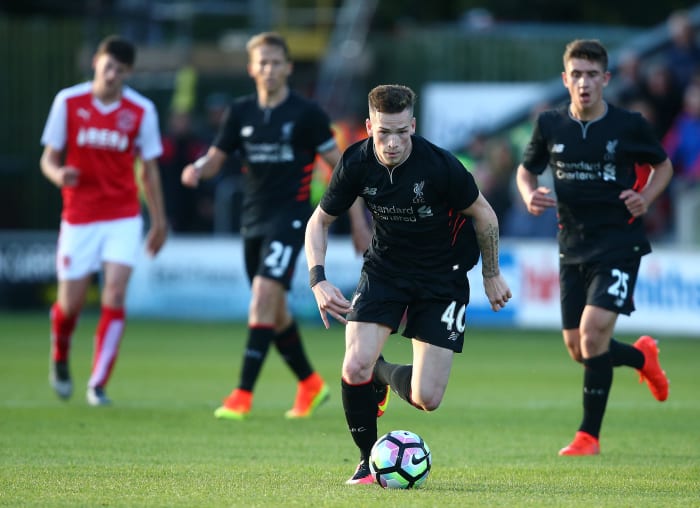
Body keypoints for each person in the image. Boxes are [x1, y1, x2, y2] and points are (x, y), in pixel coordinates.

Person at [305, 84, 512, 484]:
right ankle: (367, 462)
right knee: (354, 363)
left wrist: (491, 273)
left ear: (413, 126)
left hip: (443, 276)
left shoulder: (440, 165)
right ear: (369, 127)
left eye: (402, 132)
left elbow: (485, 214)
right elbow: (319, 221)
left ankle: (381, 373)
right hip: (386, 269)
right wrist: (318, 279)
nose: (394, 142)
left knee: (427, 398)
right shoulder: (356, 162)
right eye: (384, 132)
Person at [181, 32, 371, 420]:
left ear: (288, 67)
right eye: (262, 62)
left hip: (291, 218)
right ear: (252, 68)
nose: (269, 69)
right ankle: (310, 384)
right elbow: (215, 159)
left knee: (262, 297)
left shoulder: (306, 113)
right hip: (252, 220)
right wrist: (197, 168)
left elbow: (342, 168)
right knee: (274, 308)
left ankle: (242, 393)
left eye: (275, 62)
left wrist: (357, 220)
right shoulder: (240, 112)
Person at [515, 39, 673, 456]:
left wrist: (646, 198)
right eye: (576, 75)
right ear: (565, 79)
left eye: (592, 75)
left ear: (606, 79)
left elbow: (663, 166)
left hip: (619, 243)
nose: (584, 83)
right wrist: (529, 194)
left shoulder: (629, 125)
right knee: (579, 348)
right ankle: (642, 358)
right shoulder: (550, 124)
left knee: (592, 334)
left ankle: (589, 436)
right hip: (572, 246)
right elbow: (525, 171)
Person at [40, 35, 167, 406]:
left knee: (114, 293)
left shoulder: (141, 110)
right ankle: (60, 355)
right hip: (78, 216)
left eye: (120, 70)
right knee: (70, 305)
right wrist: (58, 175)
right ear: (96, 62)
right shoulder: (68, 101)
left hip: (122, 216)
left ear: (128, 73)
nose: (112, 75)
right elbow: (48, 159)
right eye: (108, 66)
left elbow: (149, 170)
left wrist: (159, 220)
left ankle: (97, 384)